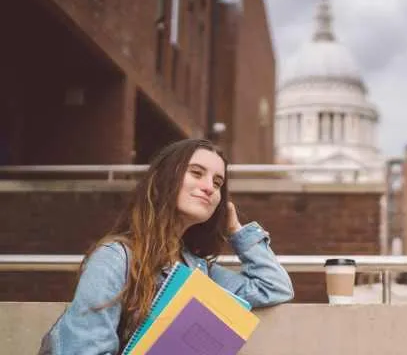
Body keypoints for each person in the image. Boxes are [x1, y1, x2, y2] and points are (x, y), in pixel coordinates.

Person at [38, 139, 294, 354]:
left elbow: (273, 286)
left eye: (218, 183)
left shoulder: (198, 270)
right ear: (164, 179)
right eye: (196, 173)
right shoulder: (115, 258)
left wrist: (236, 231)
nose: (209, 188)